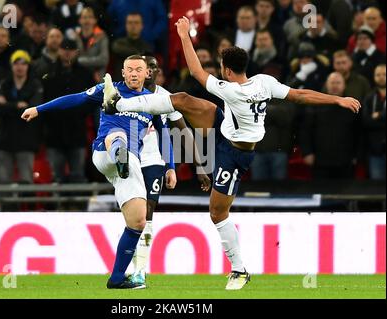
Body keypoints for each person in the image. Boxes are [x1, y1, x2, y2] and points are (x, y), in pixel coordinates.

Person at [102, 17, 361, 290]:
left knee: (217, 212)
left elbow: (196, 72)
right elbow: (299, 94)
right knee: (182, 100)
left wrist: (183, 35)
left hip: (234, 155)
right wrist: (337, 99)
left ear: (226, 70)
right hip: (224, 126)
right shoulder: (264, 82)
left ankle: (239, 269)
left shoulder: (229, 90)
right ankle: (120, 105)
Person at [21, 55, 174, 290]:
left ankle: (116, 278)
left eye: (138, 70)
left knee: (138, 221)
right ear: (123, 73)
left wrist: (170, 166)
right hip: (104, 152)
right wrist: (39, 109)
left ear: (147, 74)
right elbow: (76, 99)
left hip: (129, 165)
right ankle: (119, 152)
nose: (133, 73)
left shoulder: (154, 101)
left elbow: (164, 134)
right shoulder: (109, 90)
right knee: (118, 136)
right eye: (129, 69)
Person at [130, 55, 211, 286]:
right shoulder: (123, 94)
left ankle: (140, 270)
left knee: (146, 213)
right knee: (133, 217)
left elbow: (182, 132)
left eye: (154, 66)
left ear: (157, 72)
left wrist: (199, 166)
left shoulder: (166, 98)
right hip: (129, 160)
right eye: (145, 67)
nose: (149, 70)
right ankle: (132, 264)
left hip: (154, 161)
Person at [41, 38, 95, 183]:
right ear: (58, 51)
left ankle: (78, 206)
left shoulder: (85, 74)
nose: (67, 53)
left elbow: (92, 101)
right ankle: (57, 205)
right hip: (54, 133)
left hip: (77, 131)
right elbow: (42, 101)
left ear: (76, 52)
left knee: (78, 175)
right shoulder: (48, 73)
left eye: (70, 49)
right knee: (56, 177)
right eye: (64, 49)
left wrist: (81, 114)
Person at [0, 50, 43, 183]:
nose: (20, 67)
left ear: (28, 66)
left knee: (26, 180)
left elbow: (33, 109)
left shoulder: (35, 84)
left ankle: (29, 205)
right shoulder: (4, 84)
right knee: (4, 181)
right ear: (12, 65)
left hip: (26, 140)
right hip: (5, 139)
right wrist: (17, 105)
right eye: (16, 63)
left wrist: (7, 105)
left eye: (23, 63)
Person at [300, 72, 360, 179]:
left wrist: (357, 155)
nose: (335, 85)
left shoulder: (352, 105)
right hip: (320, 160)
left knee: (345, 194)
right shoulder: (315, 105)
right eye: (332, 82)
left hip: (346, 161)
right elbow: (306, 131)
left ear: (344, 85)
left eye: (338, 82)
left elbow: (359, 132)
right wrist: (307, 152)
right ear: (327, 85)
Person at [362, 64, 386, 180]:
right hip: (375, 151)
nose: (381, 77)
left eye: (384, 74)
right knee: (376, 189)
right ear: (374, 77)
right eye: (378, 75)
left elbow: (372, 120)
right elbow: (366, 121)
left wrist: (379, 115)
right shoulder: (369, 97)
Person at [111, 13, 152, 79]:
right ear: (126, 25)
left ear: (142, 25)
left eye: (136, 22)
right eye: (130, 23)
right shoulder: (118, 43)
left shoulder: (147, 46)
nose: (133, 25)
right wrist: (138, 53)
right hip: (120, 83)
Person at [76, 6, 109, 82]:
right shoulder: (75, 37)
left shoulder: (102, 36)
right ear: (80, 20)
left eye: (90, 17)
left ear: (95, 20)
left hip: (97, 79)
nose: (87, 20)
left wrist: (80, 61)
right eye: (84, 17)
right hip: (78, 78)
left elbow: (104, 60)